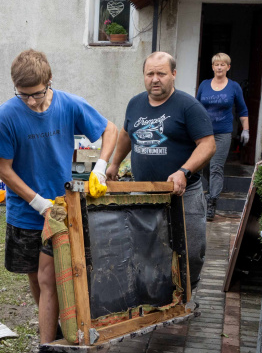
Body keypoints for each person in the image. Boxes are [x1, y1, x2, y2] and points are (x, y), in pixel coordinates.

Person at [0, 49, 117, 353]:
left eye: (38, 93)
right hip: (26, 211)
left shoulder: (68, 105)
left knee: (48, 280)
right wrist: (36, 202)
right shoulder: (7, 115)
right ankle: (55, 335)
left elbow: (110, 130)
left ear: (49, 84)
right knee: (36, 280)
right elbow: (3, 169)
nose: (32, 101)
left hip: (60, 210)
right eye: (23, 94)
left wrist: (101, 167)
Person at [105, 51, 215, 289]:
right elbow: (126, 133)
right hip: (143, 192)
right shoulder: (135, 103)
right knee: (144, 247)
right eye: (150, 74)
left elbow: (208, 145)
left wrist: (183, 171)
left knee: (191, 250)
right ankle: (152, 294)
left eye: (161, 74)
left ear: (173, 74)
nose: (155, 79)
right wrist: (114, 163)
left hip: (183, 193)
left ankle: (187, 291)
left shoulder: (188, 106)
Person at [196, 53, 249, 221]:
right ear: (212, 67)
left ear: (228, 67)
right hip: (203, 134)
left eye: (223, 64)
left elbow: (242, 110)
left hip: (223, 133)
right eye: (216, 64)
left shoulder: (233, 87)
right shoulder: (204, 85)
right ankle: (211, 191)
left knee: (216, 167)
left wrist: (245, 130)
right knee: (203, 166)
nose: (219, 67)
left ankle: (212, 202)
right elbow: (196, 107)